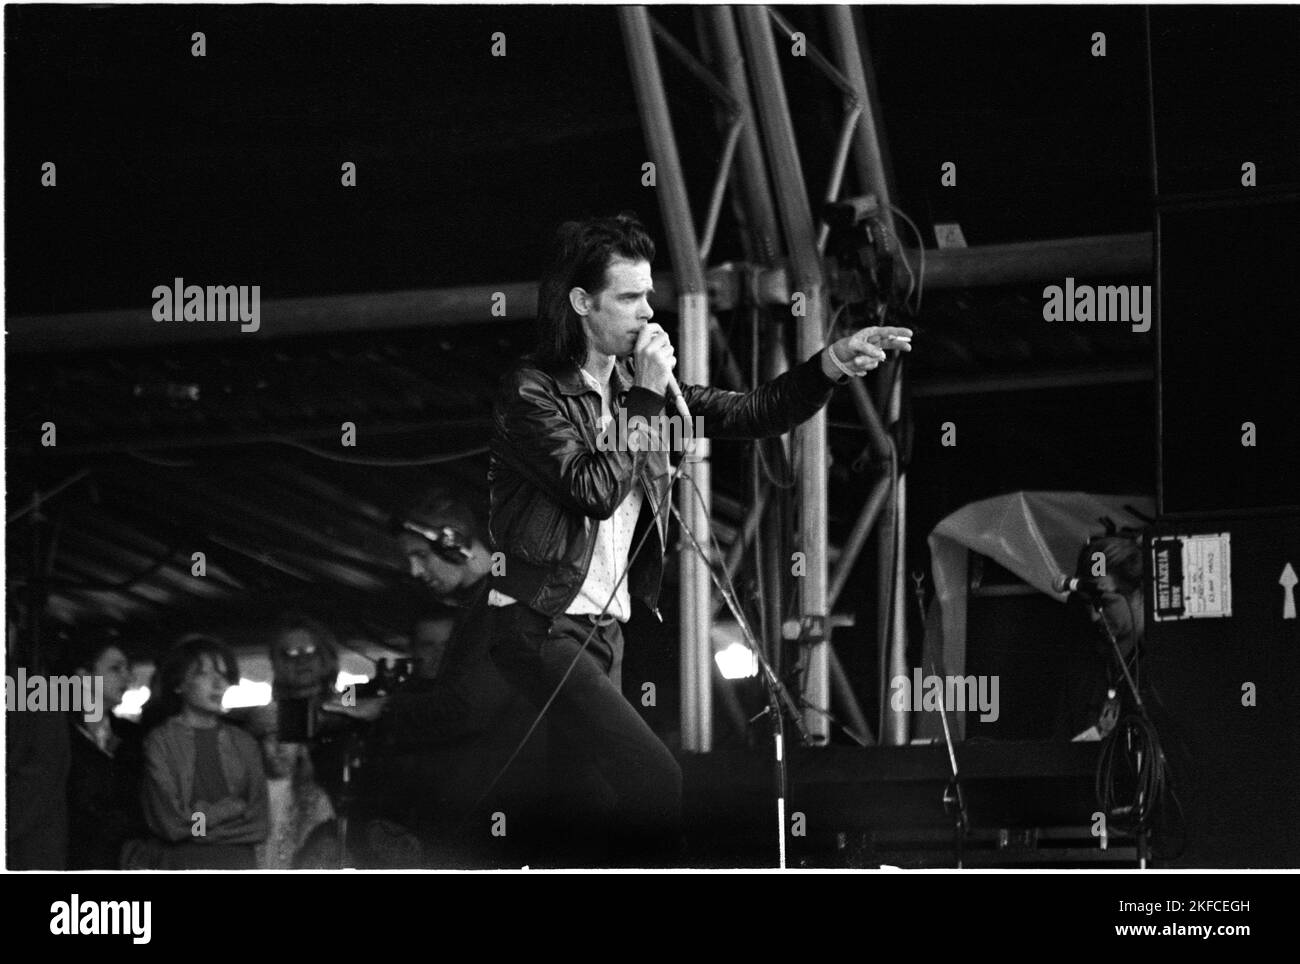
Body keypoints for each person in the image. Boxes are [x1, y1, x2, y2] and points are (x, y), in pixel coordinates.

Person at [485, 212, 912, 863]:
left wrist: (829, 366)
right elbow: (593, 490)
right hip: (541, 620)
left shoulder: (636, 393)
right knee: (657, 780)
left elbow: (752, 411)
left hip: (602, 628)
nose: (646, 312)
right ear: (581, 302)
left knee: (584, 809)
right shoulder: (533, 391)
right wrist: (649, 399)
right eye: (629, 297)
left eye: (648, 294)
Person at [324, 490, 547, 867]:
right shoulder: (489, 600)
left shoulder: (501, 603)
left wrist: (384, 707)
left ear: (454, 543)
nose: (413, 571)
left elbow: (468, 708)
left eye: (420, 556)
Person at [139, 634, 269, 869]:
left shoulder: (244, 742)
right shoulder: (160, 741)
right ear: (178, 683)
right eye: (203, 673)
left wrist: (197, 827)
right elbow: (170, 823)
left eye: (223, 674)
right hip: (182, 865)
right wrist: (224, 812)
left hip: (238, 865)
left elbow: (259, 823)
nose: (218, 684)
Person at [65, 628, 148, 869]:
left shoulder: (132, 735)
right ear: (83, 675)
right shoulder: (59, 735)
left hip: (127, 859)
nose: (127, 677)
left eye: (127, 669)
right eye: (115, 669)